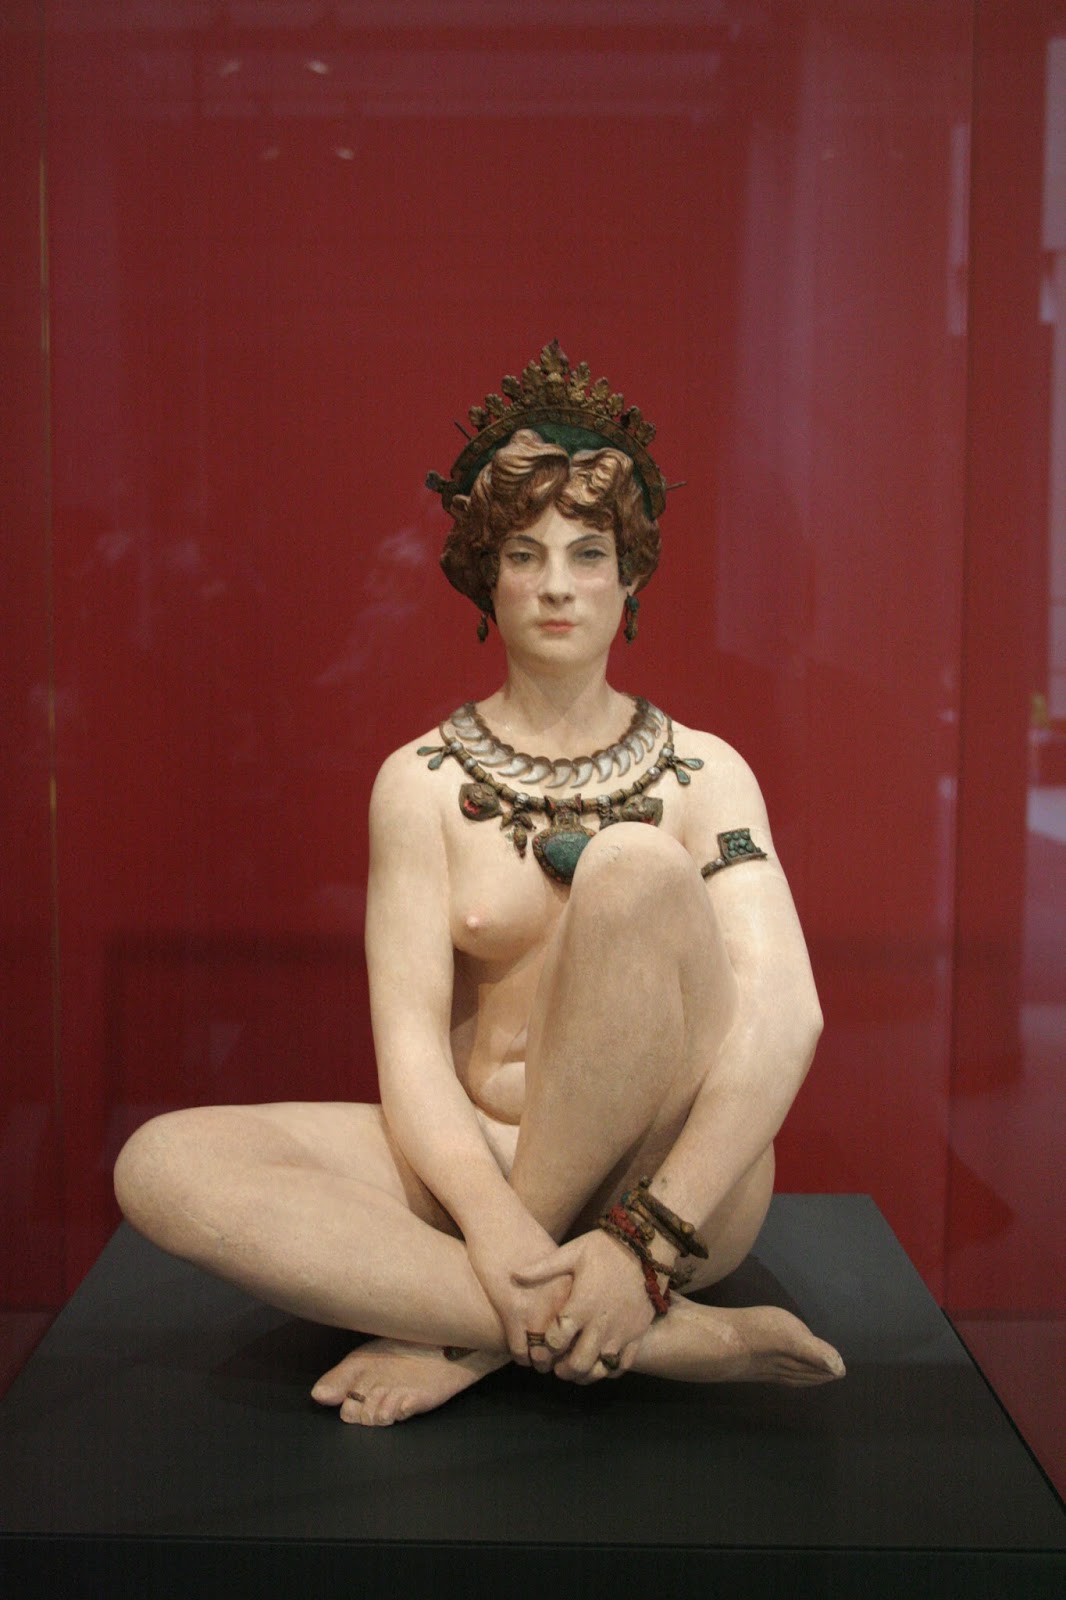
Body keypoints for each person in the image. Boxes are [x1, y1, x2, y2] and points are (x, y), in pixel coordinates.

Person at [114, 342, 844, 1427]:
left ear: (631, 576)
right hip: (477, 1165)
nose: (556, 584)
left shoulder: (707, 773)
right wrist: (495, 1228)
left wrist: (644, 1245)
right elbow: (410, 1049)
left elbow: (785, 1014)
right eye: (523, 553)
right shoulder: (416, 783)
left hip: (670, 1190)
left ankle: (478, 1328)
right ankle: (656, 1339)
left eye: (588, 553)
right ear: (482, 575)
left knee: (633, 864)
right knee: (163, 1165)